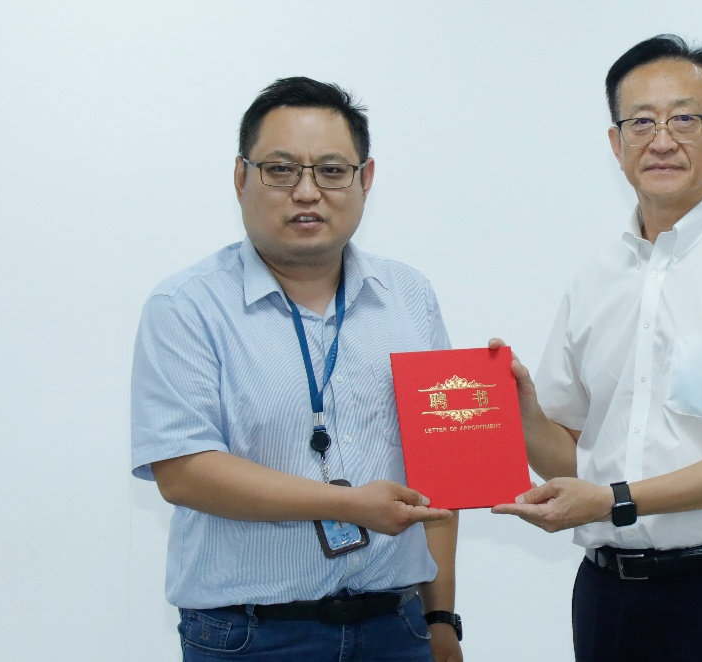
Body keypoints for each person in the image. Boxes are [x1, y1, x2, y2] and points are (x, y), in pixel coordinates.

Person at [493, 35, 702, 661]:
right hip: (607, 598)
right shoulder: (592, 280)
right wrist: (523, 414)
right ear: (616, 142)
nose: (661, 140)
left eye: (685, 119)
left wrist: (615, 500)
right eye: (641, 122)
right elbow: (576, 461)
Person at [131, 77, 463, 662]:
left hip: (397, 628)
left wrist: (440, 619)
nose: (307, 192)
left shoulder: (409, 296)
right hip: (250, 637)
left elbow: (442, 467)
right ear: (241, 177)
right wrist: (347, 505)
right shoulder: (186, 306)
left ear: (365, 178)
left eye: (332, 171)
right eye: (280, 170)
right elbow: (183, 471)